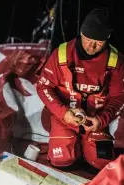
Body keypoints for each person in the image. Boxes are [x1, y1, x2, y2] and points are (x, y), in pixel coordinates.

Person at [36, 7, 124, 170]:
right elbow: (43, 87)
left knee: (102, 163)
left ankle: (88, 148)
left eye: (99, 42)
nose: (92, 46)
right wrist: (64, 113)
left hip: (95, 119)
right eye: (88, 38)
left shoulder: (116, 60)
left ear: (107, 39)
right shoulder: (61, 54)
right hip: (65, 117)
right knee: (61, 160)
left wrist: (101, 119)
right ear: (81, 33)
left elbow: (119, 97)